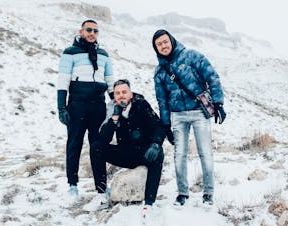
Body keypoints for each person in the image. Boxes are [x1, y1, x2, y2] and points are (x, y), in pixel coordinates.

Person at [152, 29, 226, 207]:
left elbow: (212, 77)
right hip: (177, 116)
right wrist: (165, 123)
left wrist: (218, 103)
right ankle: (182, 193)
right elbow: (162, 100)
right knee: (180, 155)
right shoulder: (160, 71)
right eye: (159, 44)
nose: (163, 46)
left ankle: (208, 193)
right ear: (156, 48)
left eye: (165, 41)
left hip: (199, 112)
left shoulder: (192, 56)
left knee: (205, 153)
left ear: (171, 40)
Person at [85, 79, 165, 213]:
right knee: (96, 147)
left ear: (131, 94)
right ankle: (101, 195)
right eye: (117, 93)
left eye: (124, 92)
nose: (121, 95)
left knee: (159, 154)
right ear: (114, 96)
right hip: (125, 153)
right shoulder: (113, 109)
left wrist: (156, 144)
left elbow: (158, 126)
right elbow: (104, 139)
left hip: (143, 153)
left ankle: (149, 204)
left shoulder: (141, 105)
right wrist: (115, 118)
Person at [57, 19, 114, 200]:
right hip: (77, 105)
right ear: (81, 31)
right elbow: (63, 80)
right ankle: (72, 186)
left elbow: (110, 81)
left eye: (95, 31)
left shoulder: (104, 55)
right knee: (74, 144)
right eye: (88, 30)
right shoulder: (70, 52)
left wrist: (118, 104)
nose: (92, 33)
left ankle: (101, 187)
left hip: (98, 106)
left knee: (98, 145)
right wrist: (61, 107)